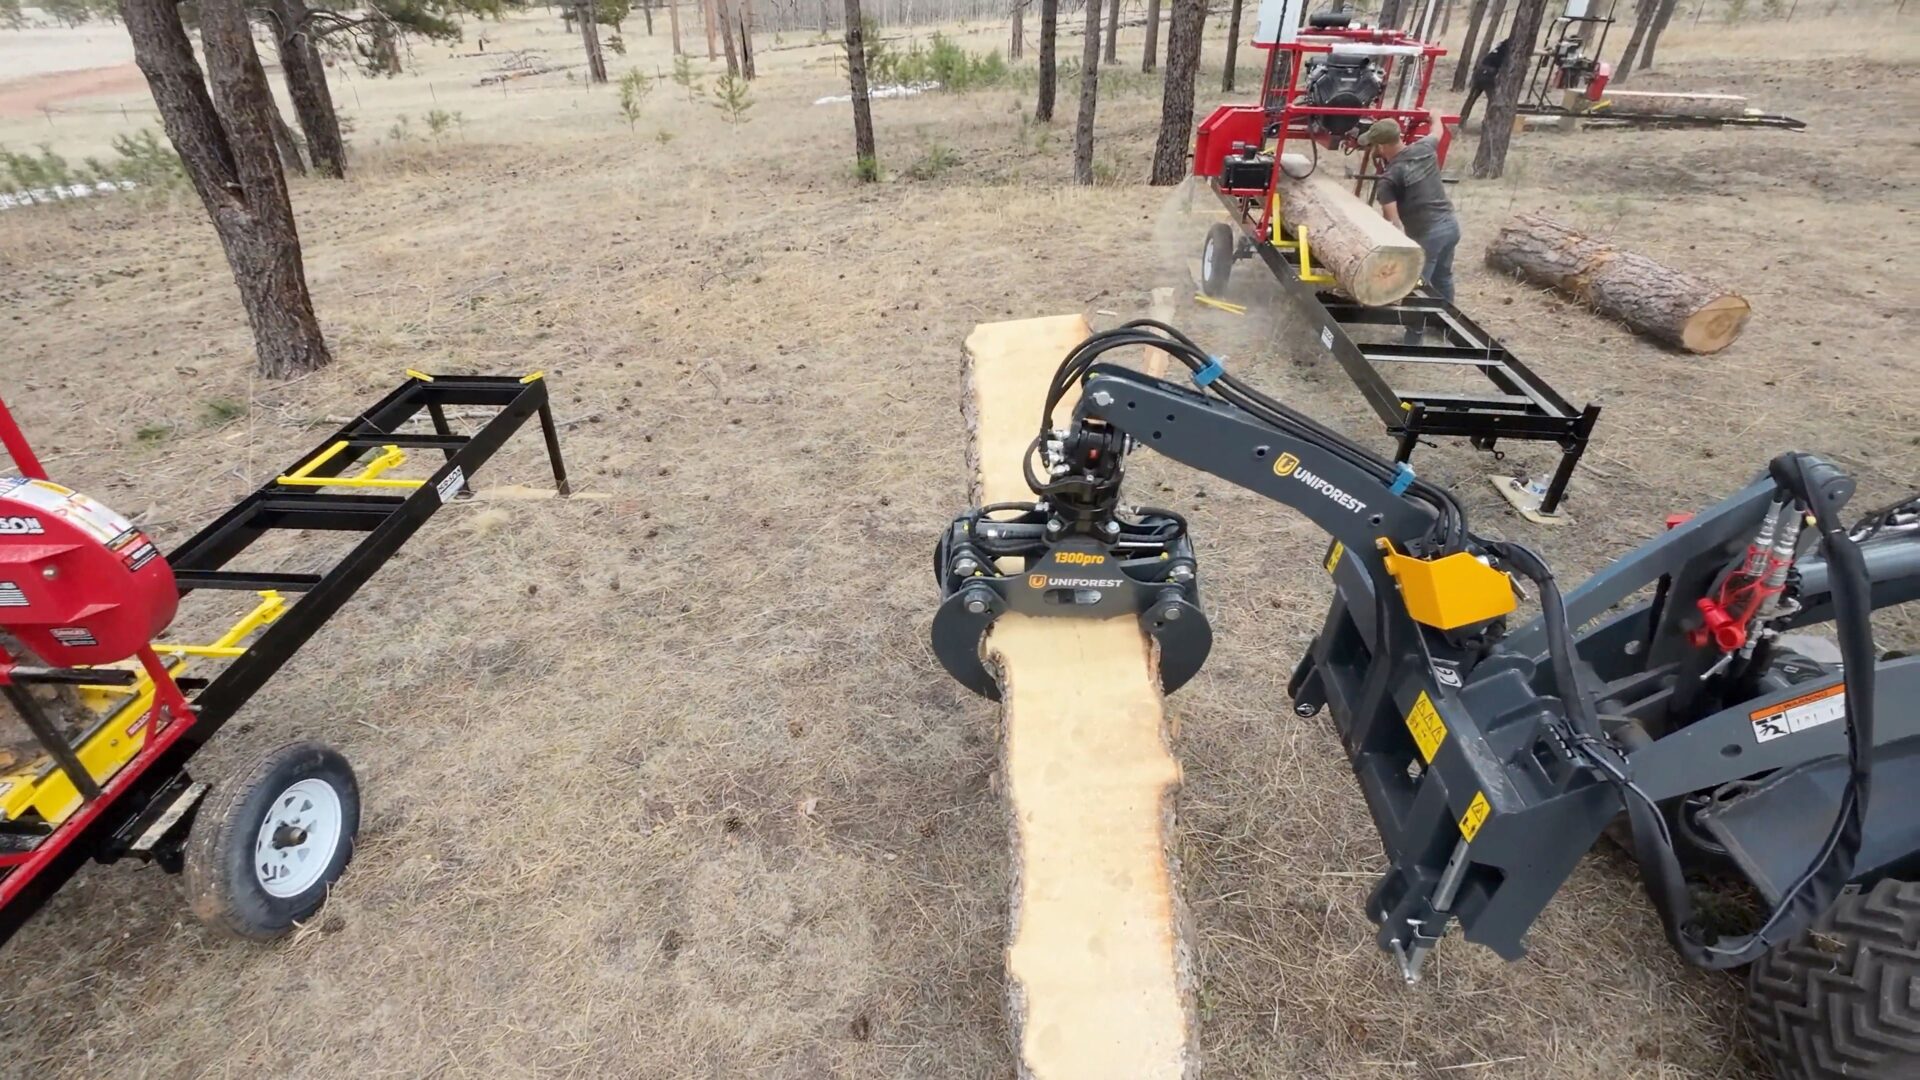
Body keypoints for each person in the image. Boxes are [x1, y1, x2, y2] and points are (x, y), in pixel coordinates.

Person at [1358, 109, 1460, 314]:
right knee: (1443, 276)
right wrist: (1436, 115)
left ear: (1382, 146)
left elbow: (1393, 224)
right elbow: (1437, 130)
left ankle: (1414, 336)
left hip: (1428, 236)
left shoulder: (1390, 178)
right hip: (1451, 226)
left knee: (1417, 285)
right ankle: (1446, 320)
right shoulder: (1424, 147)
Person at [1458, 37, 1512, 129]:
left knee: (1471, 98)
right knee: (1493, 100)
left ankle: (1461, 121)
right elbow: (1528, 52)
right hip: (1489, 75)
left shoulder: (1499, 48)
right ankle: (1488, 123)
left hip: (1480, 71)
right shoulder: (1510, 50)